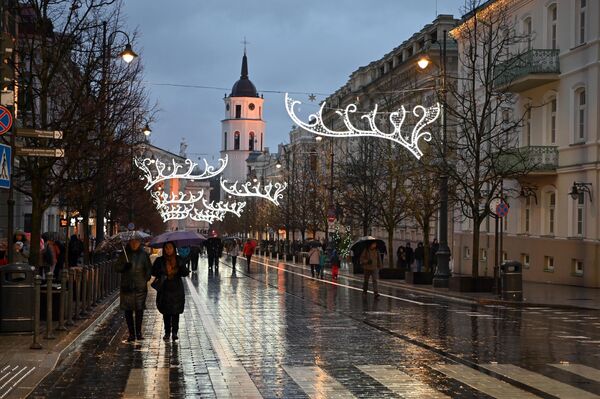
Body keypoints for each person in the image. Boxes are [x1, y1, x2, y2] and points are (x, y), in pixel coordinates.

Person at [151, 241, 189, 341]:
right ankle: (167, 332)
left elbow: (185, 273)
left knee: (176, 312)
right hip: (164, 289)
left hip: (176, 289)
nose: (168, 250)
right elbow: (153, 272)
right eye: (166, 248)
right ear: (164, 249)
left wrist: (181, 265)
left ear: (174, 249)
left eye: (170, 248)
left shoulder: (178, 259)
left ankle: (175, 332)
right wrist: (161, 272)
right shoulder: (160, 260)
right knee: (166, 312)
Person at [116, 238, 152, 342]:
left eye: (136, 242)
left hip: (140, 287)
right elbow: (117, 267)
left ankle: (139, 333)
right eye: (132, 242)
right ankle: (131, 333)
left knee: (139, 310)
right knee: (128, 310)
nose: (134, 244)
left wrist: (146, 278)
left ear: (139, 242)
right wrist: (124, 267)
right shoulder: (124, 254)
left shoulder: (144, 255)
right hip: (127, 286)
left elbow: (149, 268)